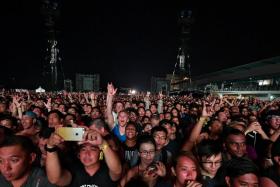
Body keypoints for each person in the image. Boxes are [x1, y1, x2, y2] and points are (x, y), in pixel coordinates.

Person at [45, 128, 122, 187]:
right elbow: (55, 179)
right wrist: (50, 146)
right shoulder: (73, 170)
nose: (87, 154)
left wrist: (102, 143)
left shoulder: (107, 169)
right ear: (79, 154)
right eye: (83, 149)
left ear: (100, 153)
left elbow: (117, 171)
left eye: (93, 149)